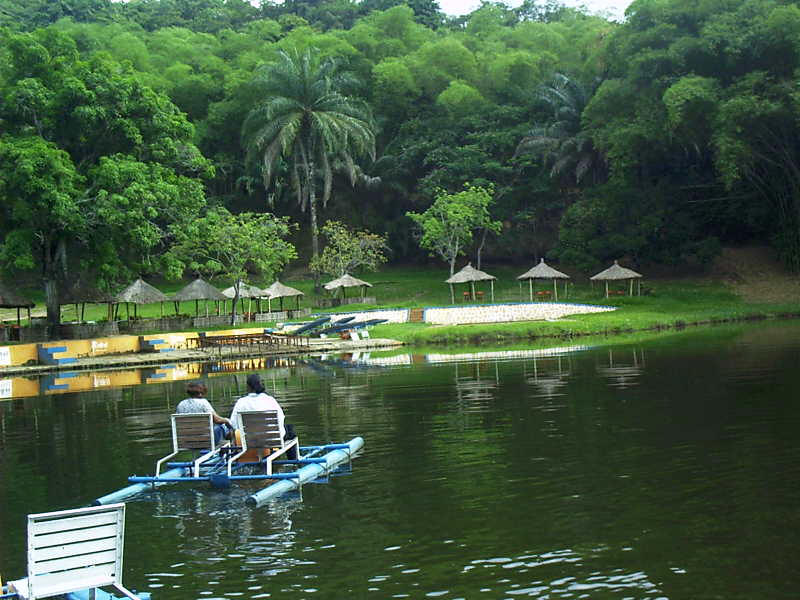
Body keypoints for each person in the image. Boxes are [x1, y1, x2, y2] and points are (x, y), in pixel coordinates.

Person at [230, 373, 296, 458]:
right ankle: (294, 462)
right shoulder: (270, 400)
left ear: (248, 387)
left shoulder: (240, 402)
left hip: (249, 441)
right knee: (290, 430)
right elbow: (281, 419)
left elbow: (233, 424)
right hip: (271, 441)